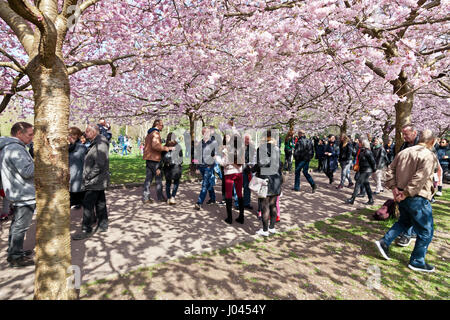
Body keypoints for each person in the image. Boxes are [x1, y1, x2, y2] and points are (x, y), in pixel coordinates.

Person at [375, 129, 439, 273]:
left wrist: (395, 189)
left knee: (404, 222)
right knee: (426, 230)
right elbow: (420, 177)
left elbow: (389, 170)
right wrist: (405, 193)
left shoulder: (404, 152)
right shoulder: (428, 155)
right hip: (416, 197)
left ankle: (385, 242)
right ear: (432, 141)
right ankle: (417, 261)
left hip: (402, 194)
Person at [0, 122, 35, 267]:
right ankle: (15, 257)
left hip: (16, 191)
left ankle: (14, 250)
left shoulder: (8, 146)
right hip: (23, 193)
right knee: (21, 226)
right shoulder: (15, 148)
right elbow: (27, 172)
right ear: (19, 134)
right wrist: (41, 160)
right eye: (30, 134)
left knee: (16, 225)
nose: (32, 138)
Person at [72, 124, 111, 240]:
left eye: (88, 131)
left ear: (95, 132)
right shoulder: (96, 142)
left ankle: (86, 229)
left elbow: (100, 163)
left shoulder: (101, 142)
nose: (85, 132)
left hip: (95, 180)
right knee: (100, 202)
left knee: (88, 204)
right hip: (96, 180)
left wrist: (88, 176)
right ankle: (103, 225)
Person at [253, 130, 283, 237]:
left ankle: (265, 230)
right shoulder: (277, 149)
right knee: (273, 205)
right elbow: (280, 164)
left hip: (265, 180)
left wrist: (251, 169)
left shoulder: (261, 149)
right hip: (276, 180)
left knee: (264, 205)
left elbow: (260, 164)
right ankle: (272, 228)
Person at [395, 124, 420, 247]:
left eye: (406, 134)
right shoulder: (405, 145)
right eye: (403, 134)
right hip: (404, 181)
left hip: (416, 183)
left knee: (411, 210)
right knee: (406, 210)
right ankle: (410, 232)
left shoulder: (422, 145)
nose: (403, 136)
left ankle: (407, 235)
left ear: (414, 133)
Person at [215, 135, 245, 224]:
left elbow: (224, 163)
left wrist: (217, 158)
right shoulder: (241, 150)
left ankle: (230, 218)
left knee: (228, 195)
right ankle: (241, 216)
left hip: (229, 174)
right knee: (239, 194)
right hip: (239, 173)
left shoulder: (228, 150)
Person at [142, 120, 174, 204]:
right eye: (162, 125)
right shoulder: (155, 133)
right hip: (155, 159)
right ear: (157, 125)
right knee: (158, 179)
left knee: (148, 179)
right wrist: (167, 148)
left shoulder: (149, 133)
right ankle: (160, 197)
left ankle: (146, 198)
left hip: (148, 159)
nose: (162, 127)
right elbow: (155, 146)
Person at [346, 138, 377, 205]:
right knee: (366, 184)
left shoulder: (368, 152)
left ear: (363, 144)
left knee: (358, 183)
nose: (358, 143)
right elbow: (357, 156)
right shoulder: (362, 150)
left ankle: (352, 199)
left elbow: (373, 162)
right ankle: (371, 200)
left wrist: (374, 170)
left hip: (367, 171)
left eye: (360, 142)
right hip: (363, 170)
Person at [194, 127, 218, 210]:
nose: (206, 133)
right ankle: (213, 198)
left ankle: (199, 202)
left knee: (204, 184)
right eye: (204, 132)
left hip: (208, 167)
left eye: (207, 132)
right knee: (207, 184)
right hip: (201, 166)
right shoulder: (200, 143)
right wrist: (197, 167)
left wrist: (210, 165)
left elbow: (215, 155)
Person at [161, 133, 183, 205]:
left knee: (168, 183)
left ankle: (168, 197)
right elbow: (181, 158)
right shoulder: (178, 146)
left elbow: (162, 158)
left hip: (167, 167)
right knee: (176, 182)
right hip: (176, 167)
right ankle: (172, 197)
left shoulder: (165, 147)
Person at [68, 127, 87, 209]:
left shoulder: (81, 147)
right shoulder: (69, 147)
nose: (67, 136)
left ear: (75, 135)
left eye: (69, 134)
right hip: (70, 178)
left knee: (85, 202)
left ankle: (90, 218)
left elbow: (85, 163)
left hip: (78, 177)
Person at [243, 134, 256, 210]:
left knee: (247, 186)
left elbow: (254, 158)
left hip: (249, 169)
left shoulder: (252, 147)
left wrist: (251, 166)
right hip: (241, 168)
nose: (247, 141)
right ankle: (238, 202)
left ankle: (246, 202)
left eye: (248, 139)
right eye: (246, 139)